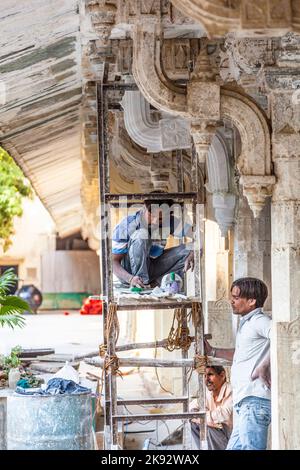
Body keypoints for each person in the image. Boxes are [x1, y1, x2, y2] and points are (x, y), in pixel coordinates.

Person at [205, 277, 271, 450]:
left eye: (236, 297)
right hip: (244, 401)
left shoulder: (259, 321)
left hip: (254, 401)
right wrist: (212, 351)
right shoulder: (246, 324)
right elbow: (240, 355)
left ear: (251, 301)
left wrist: (264, 365)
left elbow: (283, 336)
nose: (231, 301)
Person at [112, 197, 194, 288]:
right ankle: (141, 284)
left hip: (151, 267)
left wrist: (193, 251)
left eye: (160, 218)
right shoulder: (127, 225)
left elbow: (197, 233)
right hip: (129, 273)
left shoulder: (168, 221)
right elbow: (113, 262)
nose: (155, 221)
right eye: (152, 215)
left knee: (188, 250)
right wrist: (130, 279)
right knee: (142, 234)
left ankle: (157, 283)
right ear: (144, 208)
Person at [190, 365, 233, 450]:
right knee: (194, 424)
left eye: (210, 375)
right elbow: (192, 407)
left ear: (222, 375)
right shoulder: (208, 392)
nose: (206, 380)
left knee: (210, 426)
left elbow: (224, 414)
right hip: (216, 435)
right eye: (205, 376)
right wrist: (204, 419)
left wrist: (203, 418)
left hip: (231, 438)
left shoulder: (231, 390)